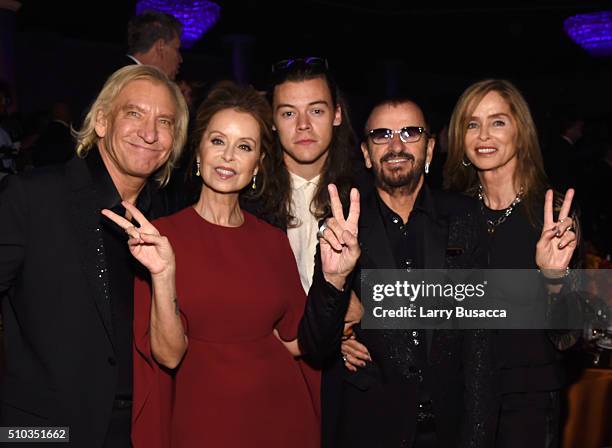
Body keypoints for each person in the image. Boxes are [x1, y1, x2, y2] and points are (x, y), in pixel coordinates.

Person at [103, 81, 358, 448]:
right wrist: (163, 274)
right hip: (203, 417)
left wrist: (335, 281)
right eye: (218, 141)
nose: (228, 157)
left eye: (244, 147)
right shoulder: (158, 237)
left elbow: (299, 341)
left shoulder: (272, 240)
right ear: (198, 150)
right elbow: (169, 355)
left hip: (282, 414)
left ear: (257, 164)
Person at [0, 65, 188, 448]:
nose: (150, 133)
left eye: (165, 121)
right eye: (134, 113)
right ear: (101, 121)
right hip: (43, 432)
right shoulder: (33, 198)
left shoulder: (172, 221)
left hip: (140, 430)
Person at [299, 97, 496, 448]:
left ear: (430, 147)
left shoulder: (465, 219)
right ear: (365, 152)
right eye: (381, 135)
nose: (396, 145)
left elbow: (479, 346)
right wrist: (335, 282)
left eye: (410, 132)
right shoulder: (345, 225)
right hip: (368, 429)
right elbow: (315, 347)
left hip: (447, 432)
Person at [444, 79, 579, 447]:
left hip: (528, 398)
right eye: (472, 124)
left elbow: (568, 337)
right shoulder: (451, 215)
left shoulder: (549, 216)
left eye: (498, 122)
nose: (484, 135)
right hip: (462, 394)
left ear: (521, 131)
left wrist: (553, 278)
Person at [126, 11, 183, 80]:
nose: (180, 60)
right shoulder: (137, 82)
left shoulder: (123, 73)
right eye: (177, 49)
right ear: (160, 46)